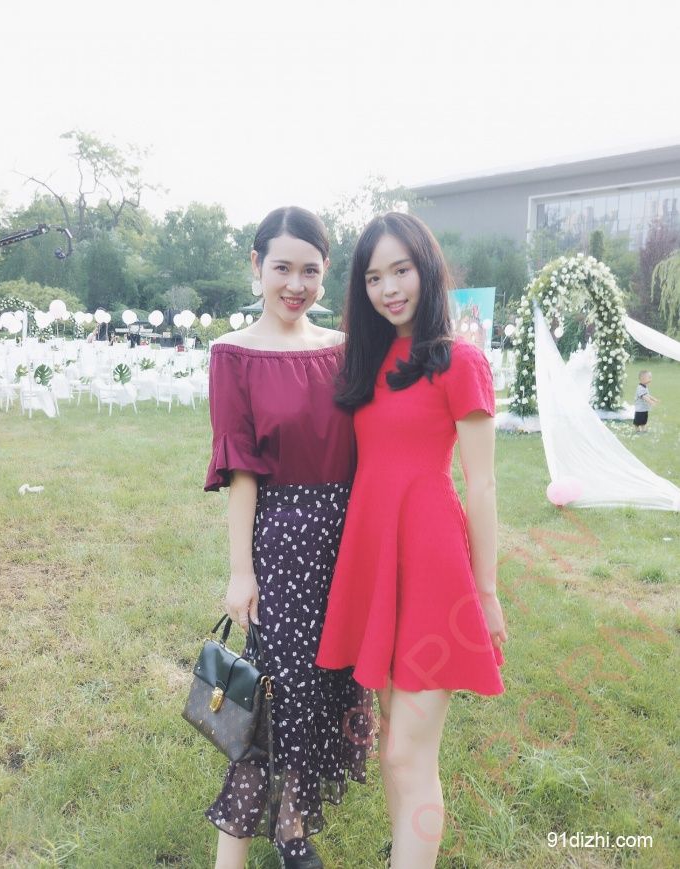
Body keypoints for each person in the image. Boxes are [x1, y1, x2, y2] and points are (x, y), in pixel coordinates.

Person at [316, 213, 507, 869]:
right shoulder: (366, 362)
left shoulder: (460, 360)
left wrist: (486, 592)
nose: (389, 288)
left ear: (427, 267)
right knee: (396, 742)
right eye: (374, 277)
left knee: (406, 754)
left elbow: (482, 484)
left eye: (401, 270)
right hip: (375, 558)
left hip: (431, 564)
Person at [203, 207, 371, 869]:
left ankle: (293, 833)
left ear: (326, 272)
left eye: (310, 270)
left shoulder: (344, 347)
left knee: (326, 688)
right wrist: (241, 570)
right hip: (284, 543)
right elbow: (241, 472)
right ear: (256, 265)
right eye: (282, 268)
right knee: (275, 698)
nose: (296, 284)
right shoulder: (234, 353)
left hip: (348, 538)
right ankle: (231, 855)